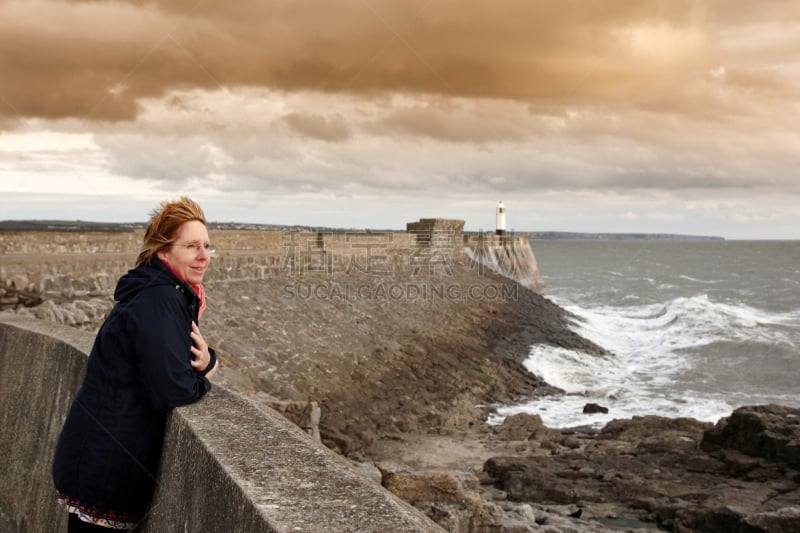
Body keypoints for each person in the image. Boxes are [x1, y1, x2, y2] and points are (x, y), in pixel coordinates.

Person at [52, 197, 219, 531]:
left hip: (99, 456)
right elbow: (171, 389)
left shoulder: (158, 291)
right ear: (163, 251)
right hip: (107, 466)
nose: (203, 256)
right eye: (191, 246)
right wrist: (208, 376)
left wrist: (207, 359)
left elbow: (164, 360)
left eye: (207, 246)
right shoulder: (159, 299)